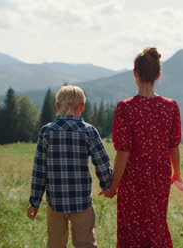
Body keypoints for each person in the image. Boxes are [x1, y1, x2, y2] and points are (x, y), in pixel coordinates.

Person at [101, 46, 182, 248]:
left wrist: (113, 186)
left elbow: (123, 151)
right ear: (158, 75)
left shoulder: (126, 107)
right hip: (160, 175)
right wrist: (177, 172)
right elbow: (173, 146)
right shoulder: (171, 106)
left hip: (133, 176)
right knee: (156, 224)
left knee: (132, 227)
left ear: (135, 73)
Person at [27, 85, 113, 248]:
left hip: (55, 203)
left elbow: (40, 170)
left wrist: (34, 201)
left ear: (58, 107)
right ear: (82, 107)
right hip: (82, 203)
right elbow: (102, 162)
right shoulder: (89, 131)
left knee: (55, 243)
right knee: (85, 243)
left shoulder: (47, 131)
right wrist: (107, 185)